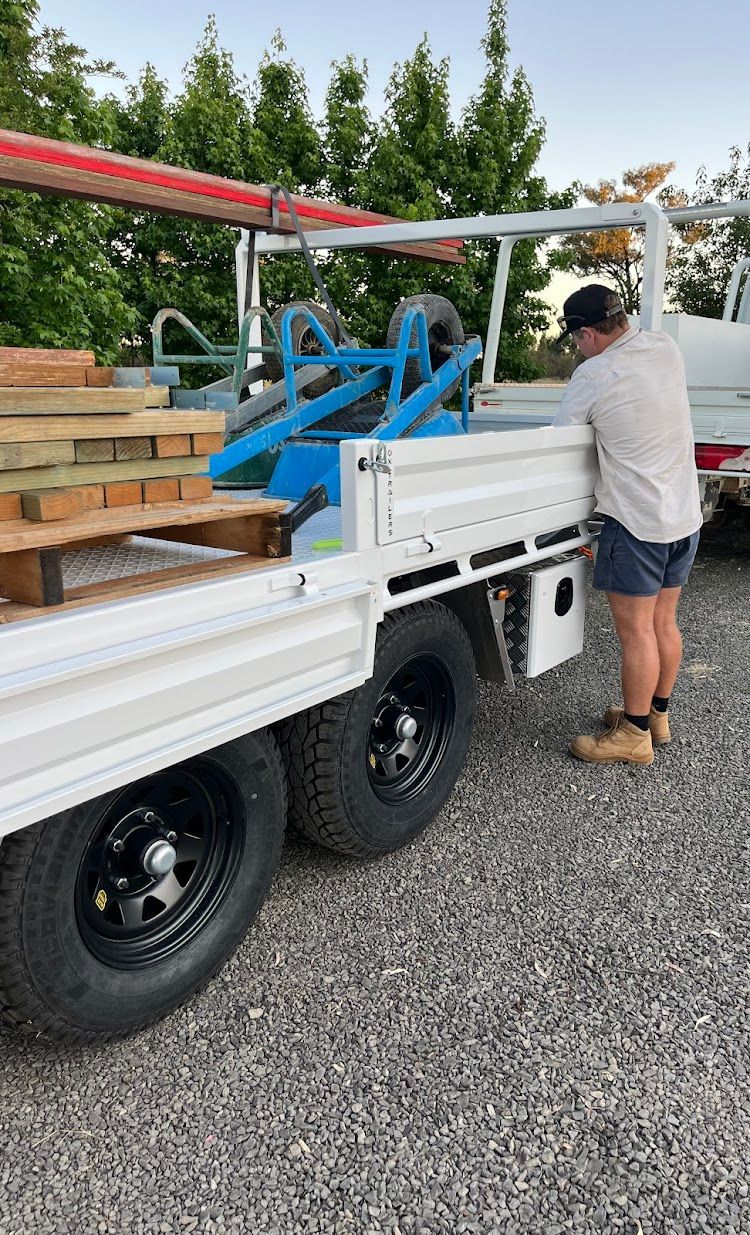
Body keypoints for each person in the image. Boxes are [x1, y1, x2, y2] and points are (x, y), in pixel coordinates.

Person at [552, 283, 702, 766]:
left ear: (590, 333)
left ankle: (633, 734)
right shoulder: (665, 347)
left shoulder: (593, 375)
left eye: (576, 338)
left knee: (636, 632)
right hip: (683, 515)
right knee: (663, 622)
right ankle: (656, 716)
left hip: (636, 522)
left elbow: (558, 444)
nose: (577, 347)